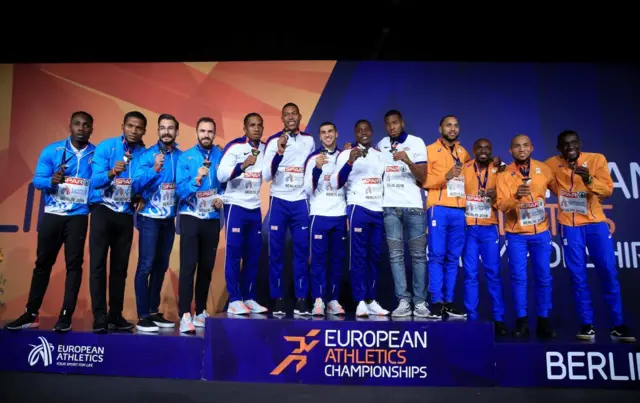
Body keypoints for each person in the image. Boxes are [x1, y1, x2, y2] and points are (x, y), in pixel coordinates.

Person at [5, 111, 95, 332]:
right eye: (77, 124)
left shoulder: (97, 154)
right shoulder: (53, 150)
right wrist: (51, 181)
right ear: (70, 126)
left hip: (78, 216)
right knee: (42, 265)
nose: (81, 128)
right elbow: (37, 181)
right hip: (53, 215)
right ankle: (30, 314)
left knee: (74, 266)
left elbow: (100, 181)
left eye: (85, 125)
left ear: (91, 129)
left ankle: (65, 316)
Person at [545, 130, 635, 342]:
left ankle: (618, 324)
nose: (570, 148)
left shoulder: (596, 159)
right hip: (570, 225)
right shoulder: (551, 164)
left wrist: (590, 181)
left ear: (580, 144)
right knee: (578, 276)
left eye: (573, 143)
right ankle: (587, 325)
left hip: (596, 224)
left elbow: (607, 191)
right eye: (565, 145)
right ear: (559, 149)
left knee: (608, 272)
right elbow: (536, 175)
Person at [88, 111, 147, 333]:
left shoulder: (145, 153)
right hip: (103, 211)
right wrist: (112, 172)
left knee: (120, 268)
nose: (134, 131)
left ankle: (115, 314)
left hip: (125, 215)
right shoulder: (106, 147)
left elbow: (145, 183)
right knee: (98, 265)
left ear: (144, 131)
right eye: (130, 126)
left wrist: (142, 196)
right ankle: (99, 315)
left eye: (138, 127)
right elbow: (94, 181)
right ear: (123, 126)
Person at [496, 134, 556, 339]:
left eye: (525, 146)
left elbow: (563, 190)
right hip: (516, 235)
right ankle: (521, 321)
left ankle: (543, 320)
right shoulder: (503, 175)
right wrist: (515, 197)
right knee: (518, 278)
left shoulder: (544, 170)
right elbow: (501, 205)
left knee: (544, 277)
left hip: (541, 232)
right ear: (510, 151)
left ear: (532, 148)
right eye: (517, 146)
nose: (521, 149)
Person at [262, 103, 316, 315]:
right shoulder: (274, 141)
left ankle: (302, 300)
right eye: (287, 115)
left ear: (300, 116)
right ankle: (278, 299)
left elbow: (312, 169)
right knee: (275, 252)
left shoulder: (309, 140)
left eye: (294, 113)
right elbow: (266, 176)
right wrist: (279, 152)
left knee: (302, 251)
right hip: (279, 201)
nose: (291, 117)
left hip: (300, 201)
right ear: (282, 118)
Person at [131, 113, 182, 332]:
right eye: (162, 128)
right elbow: (134, 186)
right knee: (146, 266)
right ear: (158, 131)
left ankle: (153, 311)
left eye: (170, 128)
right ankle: (142, 316)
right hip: (150, 218)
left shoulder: (181, 156)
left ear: (176, 131)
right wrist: (155, 169)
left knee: (161, 267)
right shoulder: (146, 155)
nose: (166, 132)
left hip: (168, 220)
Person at [335, 120, 389, 317]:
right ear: (355, 133)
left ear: (372, 132)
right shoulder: (345, 154)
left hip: (377, 209)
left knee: (374, 257)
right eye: (359, 130)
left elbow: (384, 180)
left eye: (366, 129)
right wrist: (350, 161)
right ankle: (359, 301)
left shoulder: (379, 155)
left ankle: (371, 299)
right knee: (358, 257)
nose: (363, 133)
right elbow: (338, 182)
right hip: (358, 207)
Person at [217, 113, 269, 315]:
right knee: (234, 254)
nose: (256, 128)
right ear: (244, 128)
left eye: (259, 125)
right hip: (235, 206)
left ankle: (249, 297)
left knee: (253, 255)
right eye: (252, 125)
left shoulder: (265, 148)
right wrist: (242, 166)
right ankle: (234, 300)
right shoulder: (235, 147)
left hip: (254, 207)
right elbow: (221, 175)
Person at [377, 110, 429, 318]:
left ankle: (420, 302)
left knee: (418, 257)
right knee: (396, 256)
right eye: (388, 124)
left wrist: (407, 161)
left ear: (402, 123)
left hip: (414, 208)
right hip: (390, 208)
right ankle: (403, 301)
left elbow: (423, 176)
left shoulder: (416, 143)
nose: (392, 127)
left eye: (395, 123)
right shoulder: (381, 144)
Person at [175, 117, 224, 333]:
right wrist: (196, 180)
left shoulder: (220, 155)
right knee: (188, 267)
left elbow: (225, 184)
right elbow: (180, 191)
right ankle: (185, 313)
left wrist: (221, 198)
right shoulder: (186, 158)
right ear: (196, 132)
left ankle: (201, 311)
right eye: (202, 131)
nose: (206, 135)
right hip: (190, 217)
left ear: (214, 134)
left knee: (206, 267)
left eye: (210, 131)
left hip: (211, 219)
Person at [422, 115, 470, 318]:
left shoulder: (463, 152)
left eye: (455, 125)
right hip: (439, 208)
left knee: (452, 258)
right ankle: (436, 301)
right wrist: (446, 176)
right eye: (448, 125)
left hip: (459, 210)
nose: (452, 128)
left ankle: (449, 301)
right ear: (440, 127)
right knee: (436, 255)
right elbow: (423, 180)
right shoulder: (430, 150)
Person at [461, 138, 508, 336]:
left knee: (493, 274)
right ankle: (472, 317)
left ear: (491, 151)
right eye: (479, 147)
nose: (483, 150)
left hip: (489, 227)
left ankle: (498, 319)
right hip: (469, 227)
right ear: (473, 150)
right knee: (470, 274)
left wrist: (494, 194)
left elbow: (506, 197)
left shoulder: (499, 170)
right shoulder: (464, 168)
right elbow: (455, 195)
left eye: (487, 148)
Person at [303, 121, 347, 316]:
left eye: (330, 131)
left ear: (337, 133)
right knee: (319, 260)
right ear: (319, 137)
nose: (327, 135)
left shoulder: (344, 155)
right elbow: (306, 190)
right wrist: (317, 169)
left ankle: (334, 299)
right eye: (323, 132)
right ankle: (319, 300)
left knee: (337, 260)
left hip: (340, 214)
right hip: (319, 214)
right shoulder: (313, 158)